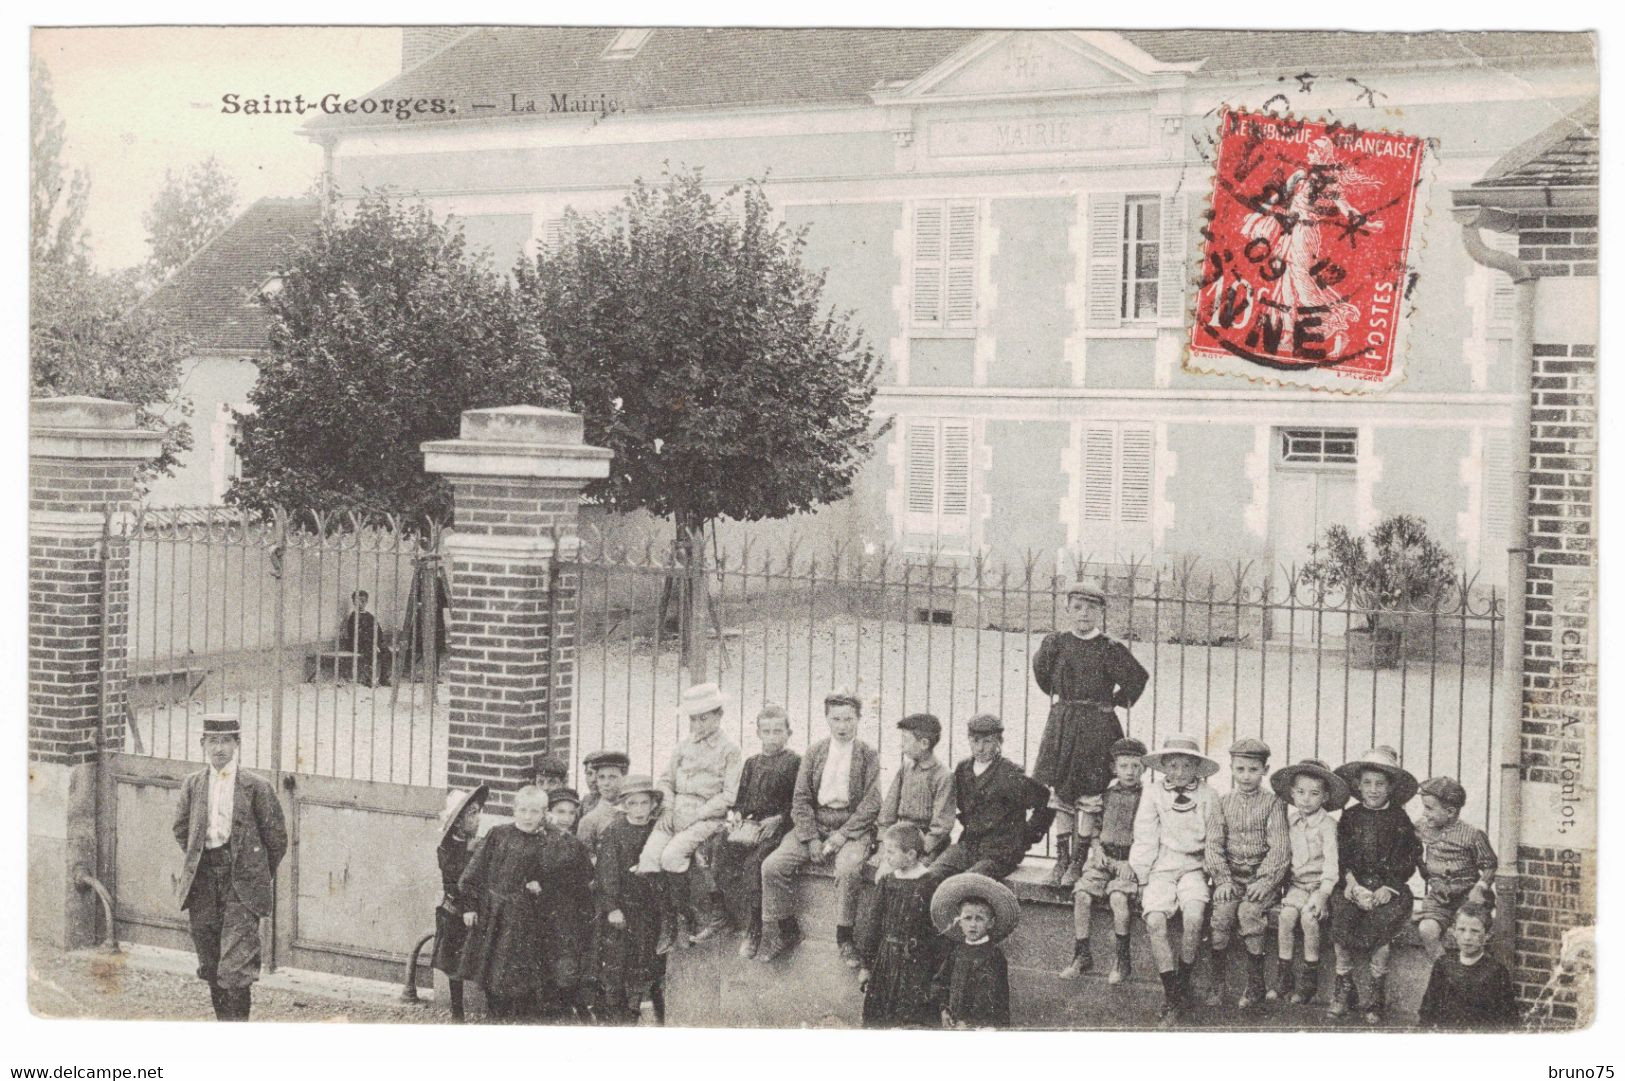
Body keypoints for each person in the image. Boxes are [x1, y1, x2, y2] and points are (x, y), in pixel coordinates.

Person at [1031, 579, 1149, 888]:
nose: (1084, 614)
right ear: (1068, 610)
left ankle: (1078, 861)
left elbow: (1137, 679)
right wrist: (1065, 703)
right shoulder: (1056, 643)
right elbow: (1044, 677)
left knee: (1088, 794)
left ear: (1101, 613)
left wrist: (1109, 703)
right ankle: (1060, 860)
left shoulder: (1109, 648)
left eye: (1091, 609)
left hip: (1097, 728)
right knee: (1062, 794)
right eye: (1078, 608)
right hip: (1064, 723)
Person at [172, 714, 287, 1021]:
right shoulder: (193, 785)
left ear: (237, 744)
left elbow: (276, 839)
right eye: (213, 741)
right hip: (204, 881)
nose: (219, 748)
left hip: (241, 886)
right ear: (203, 745)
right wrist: (202, 859)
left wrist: (254, 872)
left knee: (236, 969)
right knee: (211, 965)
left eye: (226, 741)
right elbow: (181, 829)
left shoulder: (257, 787)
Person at [760, 690, 881, 965]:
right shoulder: (815, 752)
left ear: (858, 720)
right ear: (827, 719)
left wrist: (842, 836)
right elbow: (800, 798)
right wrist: (811, 838)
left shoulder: (867, 754)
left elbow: (872, 804)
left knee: (849, 869)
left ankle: (845, 936)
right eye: (836, 719)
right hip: (816, 823)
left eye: (848, 719)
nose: (842, 726)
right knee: (772, 866)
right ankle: (786, 929)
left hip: (851, 826)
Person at [641, 682, 743, 951]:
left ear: (719, 715)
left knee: (671, 856)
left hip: (706, 816)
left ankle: (688, 917)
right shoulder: (683, 746)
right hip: (675, 812)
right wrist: (670, 808)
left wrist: (695, 815)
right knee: (649, 858)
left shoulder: (730, 750)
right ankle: (669, 921)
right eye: (693, 719)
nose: (697, 724)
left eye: (704, 718)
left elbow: (729, 796)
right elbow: (665, 780)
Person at [1128, 732, 1220, 1025]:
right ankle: (1171, 993)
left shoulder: (1208, 795)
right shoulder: (1154, 793)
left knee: (1194, 916)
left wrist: (1214, 874)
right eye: (1173, 765)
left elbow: (1215, 839)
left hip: (1195, 867)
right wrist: (1142, 878)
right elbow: (1145, 835)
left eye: (1186, 766)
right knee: (1155, 920)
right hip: (1163, 867)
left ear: (1196, 767)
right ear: (1164, 766)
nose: (1179, 773)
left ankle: (1184, 980)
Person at [1329, 746, 1422, 1025]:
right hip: (1354, 885)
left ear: (1391, 787)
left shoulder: (1400, 819)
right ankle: (1344, 989)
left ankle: (1374, 994)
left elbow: (1408, 860)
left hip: (1388, 888)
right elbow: (1342, 856)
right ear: (1357, 785)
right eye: (1367, 783)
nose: (1373, 789)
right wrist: (1352, 884)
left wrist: (1388, 887)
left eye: (1380, 784)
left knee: (1383, 927)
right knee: (1341, 917)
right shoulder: (1350, 816)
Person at [1204, 738, 1290, 1009]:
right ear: (1231, 768)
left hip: (1260, 879)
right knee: (1222, 914)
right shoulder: (1222, 802)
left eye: (1253, 770)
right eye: (1240, 769)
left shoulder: (1273, 803)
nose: (1246, 776)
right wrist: (1222, 880)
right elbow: (1213, 843)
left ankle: (1255, 982)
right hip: (1231, 877)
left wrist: (1266, 882)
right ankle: (1217, 981)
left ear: (1265, 770)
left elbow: (1279, 847)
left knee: (1249, 913)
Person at [458, 786, 553, 1021]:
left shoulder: (545, 843)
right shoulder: (498, 835)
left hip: (525, 918)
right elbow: (474, 872)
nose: (528, 817)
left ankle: (516, 1017)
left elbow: (550, 877)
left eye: (535, 811)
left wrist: (540, 885)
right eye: (523, 810)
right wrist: (470, 906)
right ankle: (494, 1015)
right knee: (492, 967)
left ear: (544, 813)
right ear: (514, 811)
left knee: (518, 972)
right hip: (495, 913)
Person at [715, 704, 800, 959]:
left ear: (788, 733)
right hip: (752, 826)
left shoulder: (795, 762)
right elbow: (741, 800)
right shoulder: (752, 763)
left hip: (776, 828)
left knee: (755, 865)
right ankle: (724, 916)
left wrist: (780, 819)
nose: (772, 737)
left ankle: (755, 928)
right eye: (767, 731)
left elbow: (799, 802)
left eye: (778, 731)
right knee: (720, 851)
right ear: (758, 733)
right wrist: (738, 816)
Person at [1059, 736, 1146, 984]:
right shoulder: (1106, 795)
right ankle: (1081, 954)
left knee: (1119, 900)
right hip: (1104, 858)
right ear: (1114, 768)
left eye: (1136, 766)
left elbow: (1148, 836)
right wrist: (1096, 849)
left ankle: (1122, 959)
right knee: (1082, 895)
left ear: (1144, 768)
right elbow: (1096, 827)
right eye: (1124, 766)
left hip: (1129, 863)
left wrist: (1128, 864)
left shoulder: (1146, 798)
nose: (1130, 772)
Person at [927, 714, 1054, 882]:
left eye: (987, 742)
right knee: (931, 875)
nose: (980, 748)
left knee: (968, 882)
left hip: (1000, 851)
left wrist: (1028, 836)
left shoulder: (1010, 774)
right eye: (975, 741)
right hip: (969, 845)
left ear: (999, 742)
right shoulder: (963, 769)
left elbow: (1046, 800)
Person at [1266, 758, 1347, 1006]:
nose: (1306, 799)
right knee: (1287, 916)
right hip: (1297, 885)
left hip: (1320, 886)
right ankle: (1284, 977)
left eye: (1314, 794)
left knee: (1309, 918)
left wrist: (1323, 894)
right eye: (1300, 792)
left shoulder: (1328, 826)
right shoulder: (1290, 822)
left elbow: (1332, 864)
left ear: (1324, 797)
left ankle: (1308, 980)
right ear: (1291, 793)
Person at [594, 774, 667, 1025]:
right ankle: (616, 1017)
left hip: (649, 907)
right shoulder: (614, 831)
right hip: (623, 909)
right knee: (616, 963)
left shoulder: (657, 829)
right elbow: (607, 872)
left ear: (652, 804)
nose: (638, 809)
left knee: (645, 961)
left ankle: (637, 1011)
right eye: (632, 804)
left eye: (643, 803)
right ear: (624, 805)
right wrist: (612, 907)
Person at [857, 824, 944, 1028]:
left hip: (917, 966)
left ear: (911, 854)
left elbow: (936, 932)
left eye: (891, 852)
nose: (886, 857)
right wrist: (866, 966)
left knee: (910, 1020)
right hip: (886, 962)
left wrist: (935, 977)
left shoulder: (930, 883)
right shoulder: (888, 882)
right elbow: (873, 926)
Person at [1415, 776, 1498, 962]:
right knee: (1426, 929)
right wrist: (1422, 865)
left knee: (1467, 935)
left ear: (1451, 811)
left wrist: (1480, 888)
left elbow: (1490, 865)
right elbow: (1406, 841)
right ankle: (1445, 972)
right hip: (1439, 898)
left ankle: (1468, 970)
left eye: (1429, 808)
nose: (1424, 813)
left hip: (1467, 897)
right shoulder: (1423, 827)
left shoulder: (1472, 835)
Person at [930, 873, 1018, 1029]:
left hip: (983, 1024)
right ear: (959, 922)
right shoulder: (957, 951)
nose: (972, 925)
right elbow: (941, 982)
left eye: (979, 919)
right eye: (968, 918)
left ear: (990, 923)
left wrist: (969, 1022)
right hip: (955, 1022)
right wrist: (944, 1010)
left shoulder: (993, 955)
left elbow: (990, 997)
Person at [537, 787, 596, 1021]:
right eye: (560, 811)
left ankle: (569, 1007)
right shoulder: (538, 841)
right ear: (548, 813)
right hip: (542, 910)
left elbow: (588, 878)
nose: (566, 818)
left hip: (568, 913)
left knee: (567, 962)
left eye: (571, 813)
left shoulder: (576, 845)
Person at [431, 784, 488, 1022]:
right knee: (455, 962)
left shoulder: (481, 844)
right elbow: (457, 880)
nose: (477, 819)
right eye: (472, 814)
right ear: (458, 821)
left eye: (478, 812)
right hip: (456, 911)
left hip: (477, 908)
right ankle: (457, 1011)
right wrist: (467, 907)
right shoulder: (447, 849)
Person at [1416, 903, 1519, 1031]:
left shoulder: (1496, 971)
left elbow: (1508, 1020)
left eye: (1475, 931)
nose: (1467, 937)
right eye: (1462, 929)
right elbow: (1427, 1012)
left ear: (1487, 935)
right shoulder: (1442, 965)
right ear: (1453, 931)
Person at [876, 713, 956, 866]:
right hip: (900, 838)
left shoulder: (944, 776)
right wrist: (883, 843)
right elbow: (888, 811)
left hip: (927, 845)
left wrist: (918, 851)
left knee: (914, 875)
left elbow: (940, 827)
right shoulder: (905, 768)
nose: (902, 745)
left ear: (924, 743)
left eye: (906, 740)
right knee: (884, 872)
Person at [576, 750, 631, 859]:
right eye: (601, 777)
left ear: (624, 779)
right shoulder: (589, 821)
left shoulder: (635, 810)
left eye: (612, 777)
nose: (606, 783)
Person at [341, 590, 392, 686]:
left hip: (371, 643)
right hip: (357, 644)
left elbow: (378, 631)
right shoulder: (353, 616)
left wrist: (378, 644)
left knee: (386, 651)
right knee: (370, 652)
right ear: (354, 602)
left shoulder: (370, 616)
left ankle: (384, 678)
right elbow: (357, 634)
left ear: (366, 602)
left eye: (363, 601)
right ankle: (368, 680)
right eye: (358, 601)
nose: (361, 603)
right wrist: (372, 644)